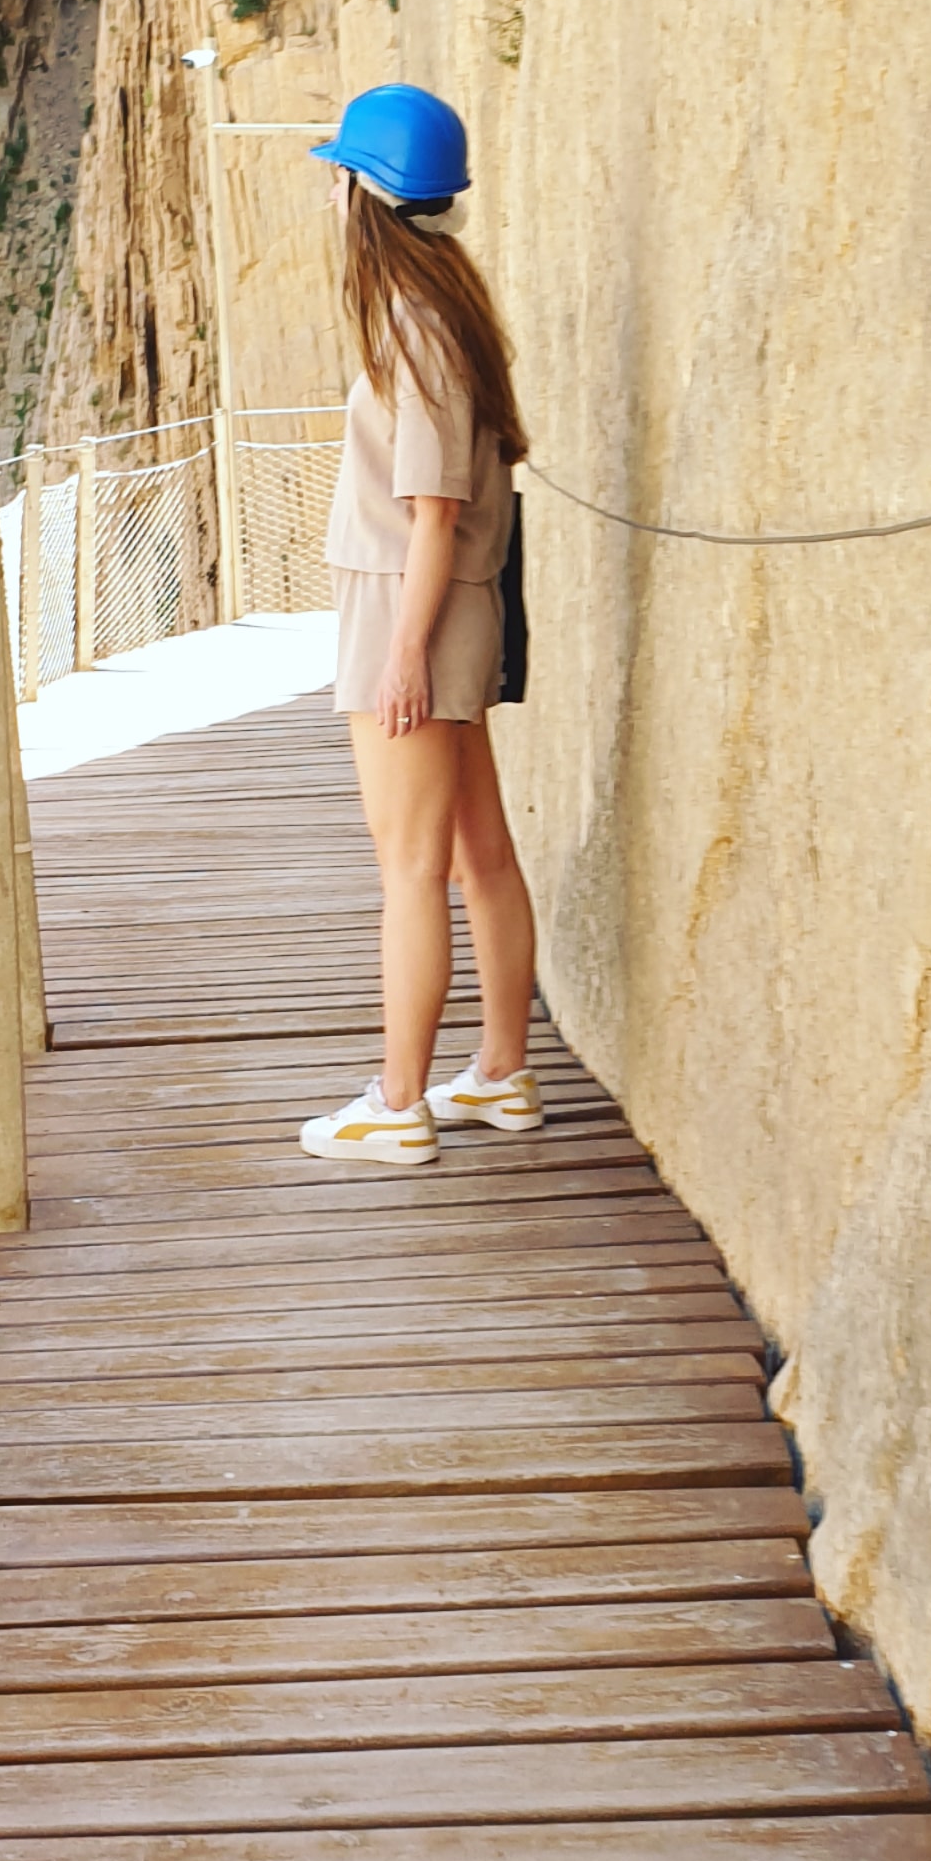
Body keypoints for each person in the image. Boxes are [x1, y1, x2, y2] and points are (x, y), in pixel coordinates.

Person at [299, 83, 544, 1165]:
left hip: (413, 610)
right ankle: (501, 1074)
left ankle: (399, 1104)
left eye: (343, 175)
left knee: (409, 868)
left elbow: (433, 516)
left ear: (371, 192)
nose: (334, 194)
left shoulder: (414, 328)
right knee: (478, 854)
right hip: (441, 609)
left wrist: (403, 656)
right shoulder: (444, 307)